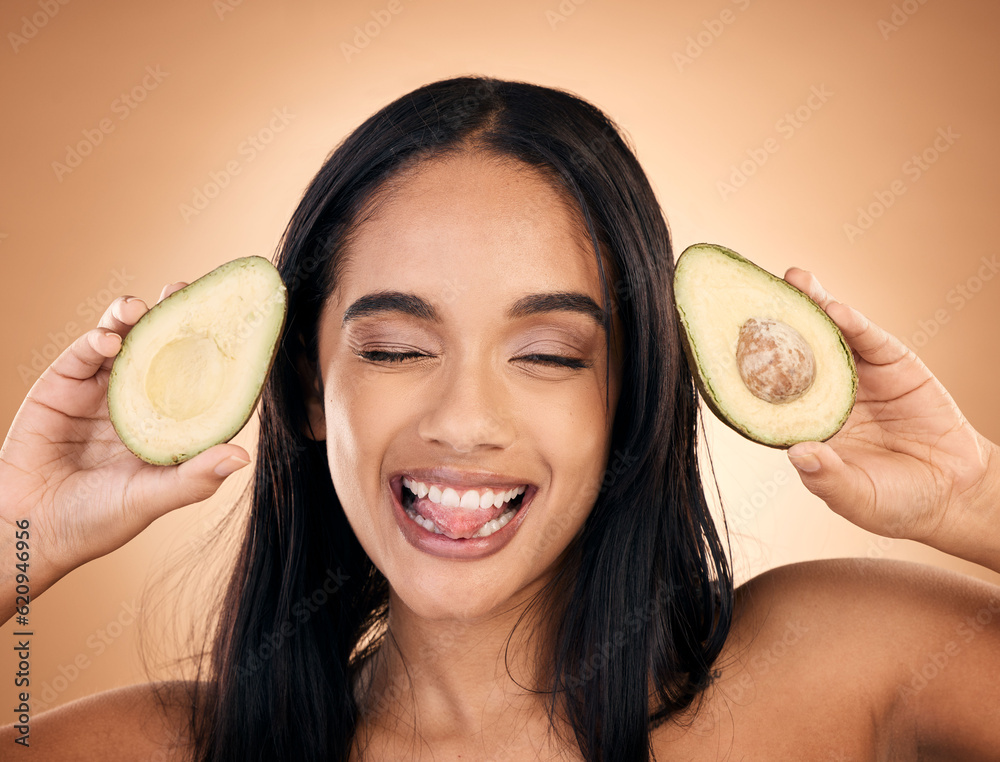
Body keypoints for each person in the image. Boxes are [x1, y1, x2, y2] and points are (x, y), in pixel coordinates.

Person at [2, 76, 999, 761]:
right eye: (395, 349)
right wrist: (18, 532)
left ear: (631, 394)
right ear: (307, 390)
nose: (465, 419)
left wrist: (974, 496)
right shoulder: (168, 749)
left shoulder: (848, 665)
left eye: (550, 357)